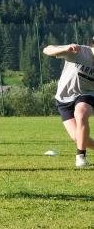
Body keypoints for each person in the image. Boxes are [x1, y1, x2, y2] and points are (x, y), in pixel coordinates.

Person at [42, 39, 94, 168]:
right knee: (78, 137)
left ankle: (80, 157)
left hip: (87, 94)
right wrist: (65, 49)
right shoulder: (79, 51)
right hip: (64, 98)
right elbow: (47, 50)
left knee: (81, 113)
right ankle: (81, 149)